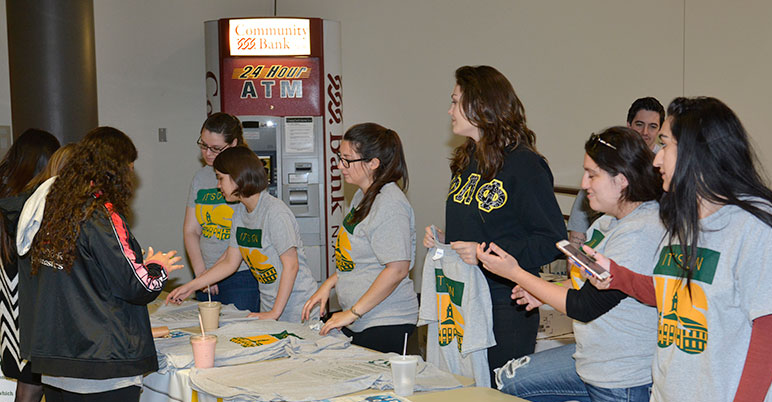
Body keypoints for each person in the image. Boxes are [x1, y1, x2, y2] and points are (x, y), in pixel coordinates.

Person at [587, 97, 772, 402]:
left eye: (665, 143)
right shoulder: (682, 216)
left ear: (697, 152)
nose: (656, 158)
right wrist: (617, 276)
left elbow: (771, 328)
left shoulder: (754, 228)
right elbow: (671, 291)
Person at [20, 127, 183, 402]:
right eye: (129, 165)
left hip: (63, 355)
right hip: (105, 358)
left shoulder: (54, 211)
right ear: (116, 166)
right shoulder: (101, 214)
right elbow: (136, 284)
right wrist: (158, 267)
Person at [476, 127, 663, 402]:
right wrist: (545, 291)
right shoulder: (606, 222)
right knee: (510, 380)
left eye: (592, 175)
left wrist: (515, 272)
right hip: (592, 359)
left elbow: (586, 305)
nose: (583, 184)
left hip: (621, 377)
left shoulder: (641, 231)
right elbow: (586, 284)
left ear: (622, 179)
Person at [424, 65, 565, 385]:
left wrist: (483, 252)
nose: (449, 110)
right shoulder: (465, 159)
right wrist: (446, 240)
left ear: (482, 106)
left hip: (505, 306)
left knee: (499, 401)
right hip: (462, 302)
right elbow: (480, 229)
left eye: (455, 101)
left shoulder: (524, 164)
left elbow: (552, 239)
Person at [301, 123, 418, 353]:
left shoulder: (390, 203)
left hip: (386, 321)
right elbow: (360, 258)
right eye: (340, 157)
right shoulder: (361, 196)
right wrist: (330, 283)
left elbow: (396, 270)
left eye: (347, 160)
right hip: (363, 319)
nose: (340, 166)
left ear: (373, 163)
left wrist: (352, 313)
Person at [168, 146, 316, 321]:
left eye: (221, 178)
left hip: (297, 307)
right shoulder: (240, 212)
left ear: (237, 177)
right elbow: (230, 262)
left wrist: (274, 313)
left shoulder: (275, 212)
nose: (218, 185)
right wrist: (191, 286)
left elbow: (291, 266)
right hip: (270, 305)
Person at [0, 129, 59, 402]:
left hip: (8, 313)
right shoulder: (33, 206)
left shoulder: (5, 199)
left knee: (25, 396)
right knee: (40, 396)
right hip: (34, 316)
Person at [183, 112, 259, 312]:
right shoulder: (200, 178)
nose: (207, 153)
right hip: (204, 274)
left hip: (240, 276)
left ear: (233, 144)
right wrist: (201, 273)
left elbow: (243, 235)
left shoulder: (247, 176)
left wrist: (212, 273)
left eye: (215, 148)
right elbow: (191, 230)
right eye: (203, 145)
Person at [568, 97, 665, 245]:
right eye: (639, 124)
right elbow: (580, 218)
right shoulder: (605, 222)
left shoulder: (664, 168)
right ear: (629, 125)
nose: (645, 132)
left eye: (652, 126)